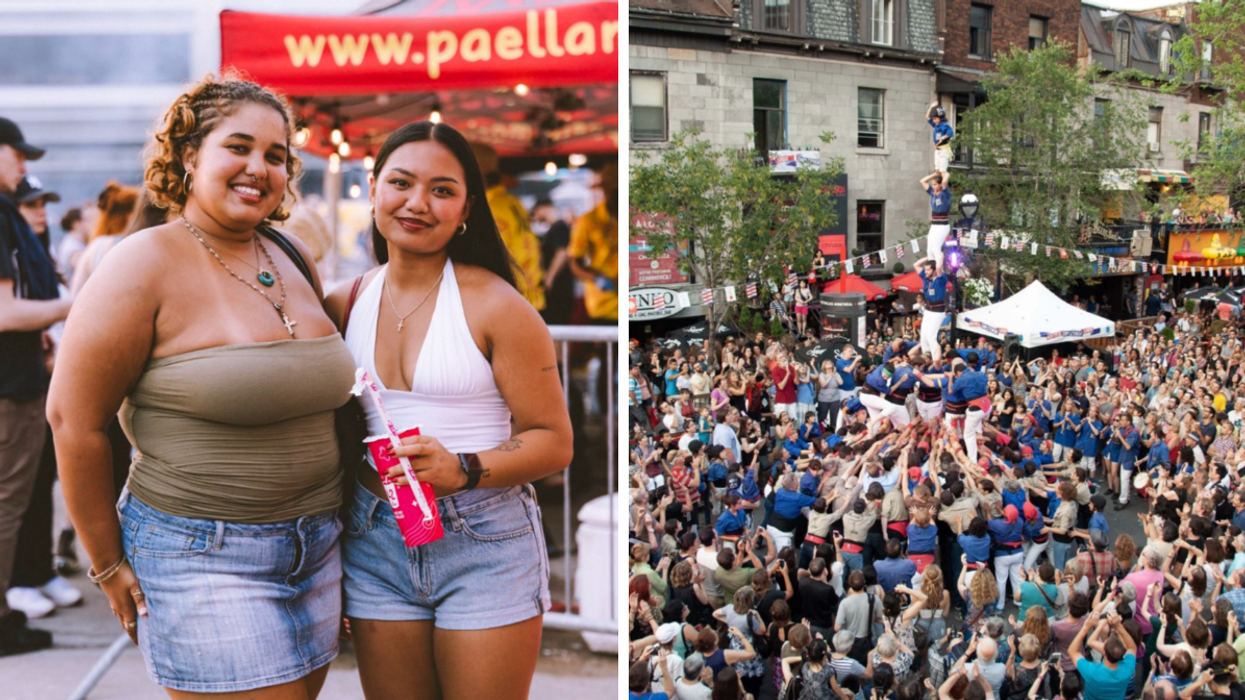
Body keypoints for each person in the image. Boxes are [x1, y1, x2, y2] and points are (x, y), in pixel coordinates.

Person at [49, 76, 352, 695]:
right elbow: (72, 422)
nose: (258, 168)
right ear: (190, 156)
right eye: (237, 147)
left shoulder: (291, 253)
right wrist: (107, 565)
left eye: (276, 155)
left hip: (318, 549)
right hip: (201, 555)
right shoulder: (141, 263)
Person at [329, 121, 573, 699]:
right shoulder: (343, 301)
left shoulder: (497, 305)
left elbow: (553, 440)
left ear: (466, 209)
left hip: (483, 536)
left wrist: (464, 466)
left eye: (441, 190)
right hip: (374, 533)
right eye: (402, 183)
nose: (418, 203)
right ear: (373, 188)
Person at [0, 116, 71, 656]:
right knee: (7, 508)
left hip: (18, 378)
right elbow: (4, 311)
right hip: (10, 388)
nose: (24, 165)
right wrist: (75, 304)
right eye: (16, 153)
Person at [6, 175, 83, 621]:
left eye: (43, 203)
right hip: (18, 385)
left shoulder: (39, 253)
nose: (40, 211)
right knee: (16, 494)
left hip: (43, 381)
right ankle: (17, 581)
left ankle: (36, 571)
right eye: (30, 203)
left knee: (39, 486)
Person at [470, 142, 544, 313]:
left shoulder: (489, 209)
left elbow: (491, 259)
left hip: (506, 305)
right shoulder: (512, 202)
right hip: (525, 298)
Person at [568, 163, 619, 325]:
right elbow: (575, 263)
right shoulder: (588, 221)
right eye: (614, 191)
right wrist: (599, 280)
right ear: (605, 191)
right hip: (604, 305)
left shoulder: (639, 218)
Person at [1069, 610, 1137, 700]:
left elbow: (1072, 651)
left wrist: (1086, 627)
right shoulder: (1127, 669)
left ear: (1104, 652)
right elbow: (1132, 648)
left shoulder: (1092, 672)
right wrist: (1118, 626)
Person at [531, 198, 573, 326]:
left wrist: (550, 277)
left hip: (559, 289)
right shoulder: (555, 228)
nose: (535, 218)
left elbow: (562, 252)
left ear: (542, 208)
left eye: (535, 213)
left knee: (557, 325)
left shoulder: (559, 227)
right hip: (557, 288)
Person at [916, 257, 949, 364]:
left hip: (938, 310)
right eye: (925, 269)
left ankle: (936, 359)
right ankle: (926, 356)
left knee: (931, 335)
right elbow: (916, 265)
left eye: (928, 269)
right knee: (923, 335)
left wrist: (938, 256)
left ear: (934, 271)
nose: (926, 271)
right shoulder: (926, 278)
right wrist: (927, 257)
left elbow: (939, 266)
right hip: (928, 309)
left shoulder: (941, 279)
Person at [922, 172, 952, 270]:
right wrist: (934, 174)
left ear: (939, 184)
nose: (933, 186)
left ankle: (940, 270)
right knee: (929, 249)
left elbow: (944, 182)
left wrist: (945, 174)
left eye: (935, 184)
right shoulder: (932, 193)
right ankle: (932, 269)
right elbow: (922, 181)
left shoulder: (944, 193)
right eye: (933, 184)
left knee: (936, 247)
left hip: (943, 225)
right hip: (934, 225)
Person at [927, 101, 954, 184]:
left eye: (935, 118)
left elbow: (950, 132)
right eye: (934, 119)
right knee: (937, 171)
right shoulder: (936, 125)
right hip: (937, 150)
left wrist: (943, 137)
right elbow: (928, 117)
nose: (934, 120)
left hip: (943, 150)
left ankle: (945, 185)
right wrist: (931, 107)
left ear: (940, 117)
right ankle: (939, 185)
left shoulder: (944, 125)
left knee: (942, 171)